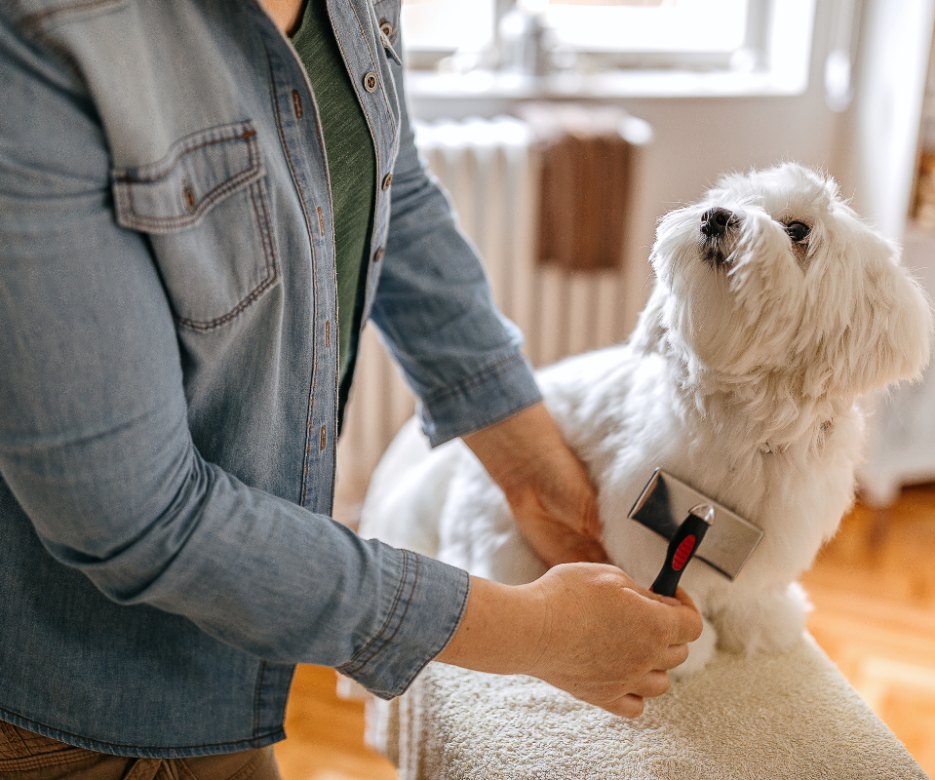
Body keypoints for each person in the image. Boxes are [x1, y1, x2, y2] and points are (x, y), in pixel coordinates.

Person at [0, 0, 702, 777]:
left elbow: (386, 181)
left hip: (223, 652)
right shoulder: (40, 38)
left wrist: (539, 478)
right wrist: (533, 632)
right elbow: (135, 516)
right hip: (58, 699)